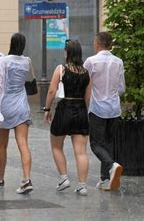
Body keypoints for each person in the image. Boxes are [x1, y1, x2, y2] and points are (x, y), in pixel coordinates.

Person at [0, 33, 34, 194]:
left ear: (11, 43)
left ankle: (0, 179)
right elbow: (13, 61)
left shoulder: (3, 61)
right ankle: (26, 179)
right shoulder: (27, 61)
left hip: (5, 106)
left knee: (2, 145)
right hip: (21, 106)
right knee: (23, 143)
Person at [43, 40, 91, 196]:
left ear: (67, 53)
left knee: (56, 145)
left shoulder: (61, 69)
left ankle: (64, 178)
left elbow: (51, 91)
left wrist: (47, 109)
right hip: (80, 110)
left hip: (64, 109)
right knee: (81, 151)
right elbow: (87, 97)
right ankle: (82, 185)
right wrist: (84, 112)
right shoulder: (86, 73)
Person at [83, 32, 125, 191]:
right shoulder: (118, 62)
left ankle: (112, 165)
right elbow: (121, 88)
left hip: (97, 108)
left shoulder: (91, 62)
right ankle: (106, 179)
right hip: (114, 108)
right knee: (108, 144)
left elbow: (84, 83)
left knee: (95, 144)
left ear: (97, 43)